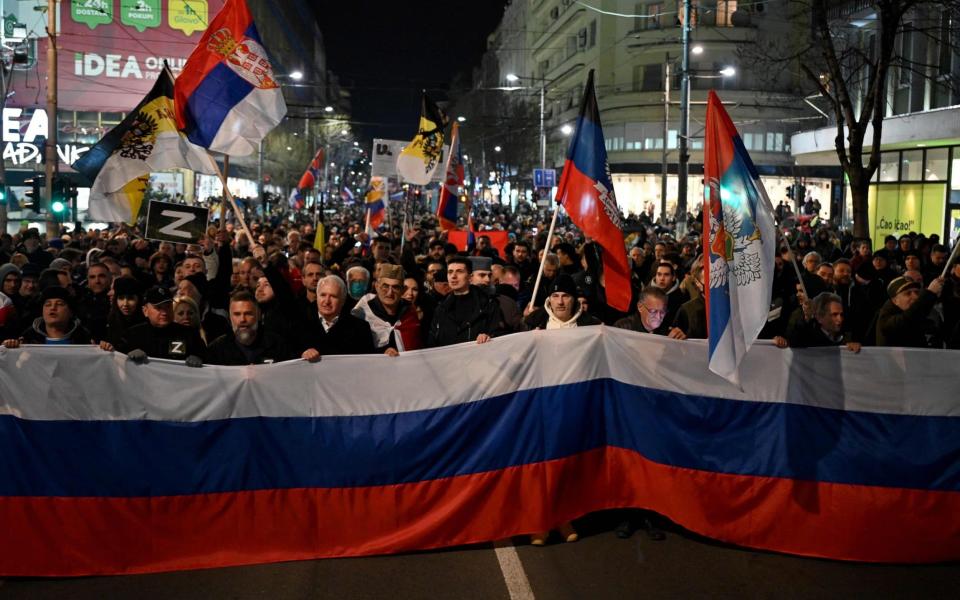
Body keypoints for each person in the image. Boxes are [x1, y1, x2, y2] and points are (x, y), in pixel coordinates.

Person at [207, 291, 306, 365]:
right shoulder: (217, 349)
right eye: (237, 314)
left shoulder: (277, 344)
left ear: (258, 315)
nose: (242, 319)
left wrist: (305, 355)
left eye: (248, 313)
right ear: (230, 317)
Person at [427, 256, 505, 347]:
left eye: (459, 271)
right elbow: (432, 342)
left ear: (470, 277)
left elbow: (500, 335)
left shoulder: (488, 304)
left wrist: (489, 337)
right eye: (450, 272)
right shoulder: (441, 308)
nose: (453, 276)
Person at [119, 286, 206, 366]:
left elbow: (208, 358)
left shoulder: (189, 334)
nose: (164, 312)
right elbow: (116, 361)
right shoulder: (132, 335)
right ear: (145, 310)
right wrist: (127, 354)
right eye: (158, 308)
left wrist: (199, 358)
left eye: (168, 307)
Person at [351, 264, 423, 355]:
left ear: (402, 290)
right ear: (377, 286)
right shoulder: (362, 313)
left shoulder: (410, 312)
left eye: (395, 287)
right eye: (385, 286)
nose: (390, 293)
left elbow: (418, 348)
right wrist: (381, 353)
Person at [3, 286, 92, 346]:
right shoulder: (28, 339)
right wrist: (9, 346)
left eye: (60, 304)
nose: (53, 308)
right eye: (47, 304)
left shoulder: (84, 339)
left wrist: (104, 348)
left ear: (70, 312)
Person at [310, 275, 375, 355]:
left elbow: (368, 362)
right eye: (323, 295)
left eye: (333, 296)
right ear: (317, 297)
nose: (327, 301)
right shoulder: (300, 324)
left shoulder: (360, 328)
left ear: (343, 301)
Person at [876, 275, 945, 347]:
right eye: (908, 293)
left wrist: (933, 296)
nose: (915, 297)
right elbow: (907, 320)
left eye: (917, 292)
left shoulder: (915, 312)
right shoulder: (886, 319)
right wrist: (929, 293)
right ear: (895, 300)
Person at [786, 292, 861, 352]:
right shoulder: (809, 337)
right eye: (834, 315)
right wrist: (807, 317)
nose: (840, 319)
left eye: (841, 314)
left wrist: (854, 347)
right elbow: (794, 341)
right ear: (820, 317)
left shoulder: (846, 336)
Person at [522, 273, 601, 330]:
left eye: (565, 296)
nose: (560, 302)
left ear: (574, 299)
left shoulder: (593, 326)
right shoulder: (531, 323)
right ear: (549, 300)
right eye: (555, 296)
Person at [614, 286, 686, 339]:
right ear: (640, 307)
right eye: (653, 311)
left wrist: (679, 342)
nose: (658, 317)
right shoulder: (622, 328)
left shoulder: (667, 331)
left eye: (662, 312)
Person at [104, 277, 144, 349]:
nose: (125, 304)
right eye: (121, 298)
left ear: (138, 300)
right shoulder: (109, 322)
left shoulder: (147, 323)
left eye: (131, 298)